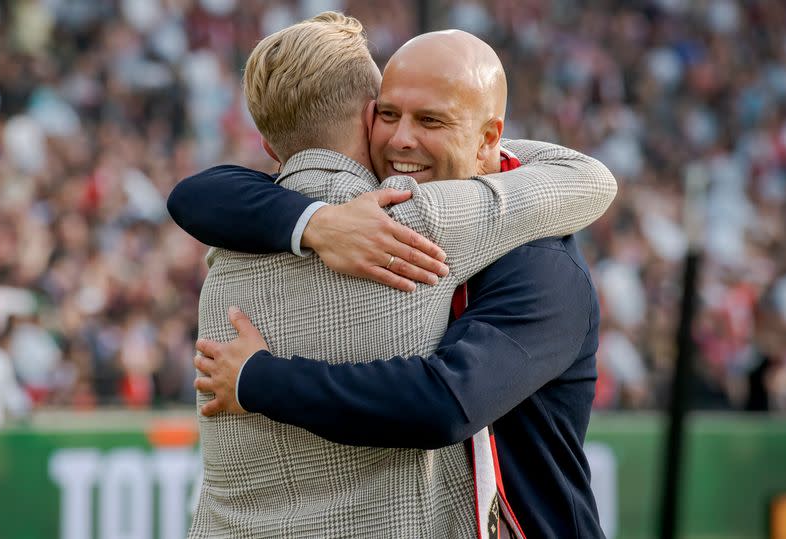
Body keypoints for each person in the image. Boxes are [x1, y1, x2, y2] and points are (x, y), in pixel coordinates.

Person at [172, 12, 615, 539]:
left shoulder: (542, 264)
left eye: (431, 121)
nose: (402, 139)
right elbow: (197, 193)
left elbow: (445, 402)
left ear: (489, 138)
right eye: (389, 114)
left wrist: (258, 377)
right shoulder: (349, 215)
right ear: (365, 117)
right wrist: (317, 224)